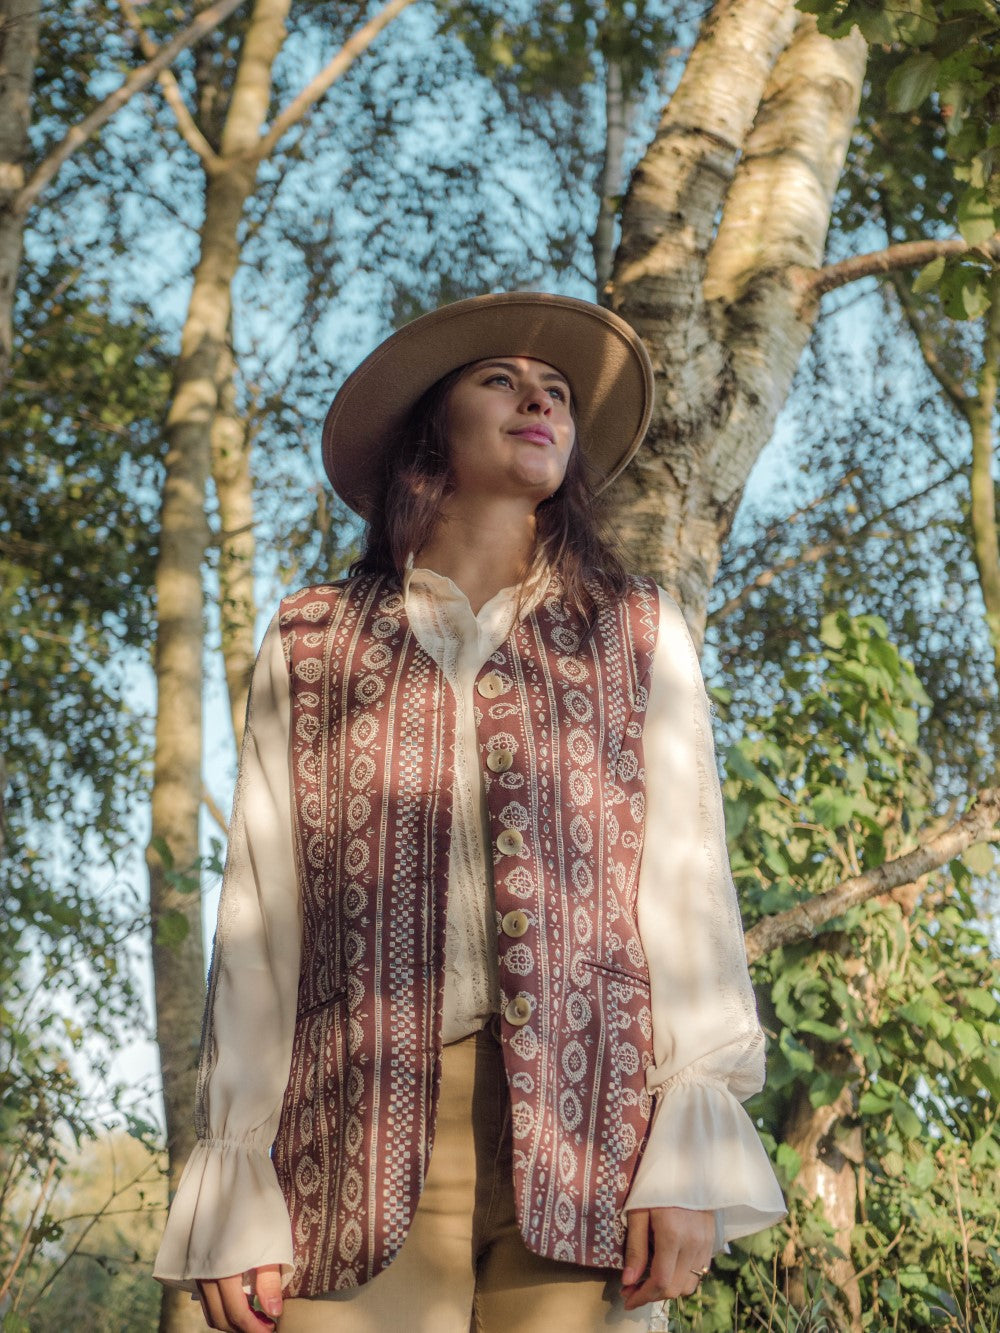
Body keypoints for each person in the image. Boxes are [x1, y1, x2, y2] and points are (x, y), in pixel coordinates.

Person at [154, 291, 785, 1332]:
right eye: (502, 380)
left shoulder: (638, 631)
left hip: (593, 1137)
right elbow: (264, 920)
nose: (540, 401)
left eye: (557, 392)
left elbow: (685, 888)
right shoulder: (313, 639)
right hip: (346, 1142)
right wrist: (236, 1166)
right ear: (429, 431)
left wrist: (688, 1145)